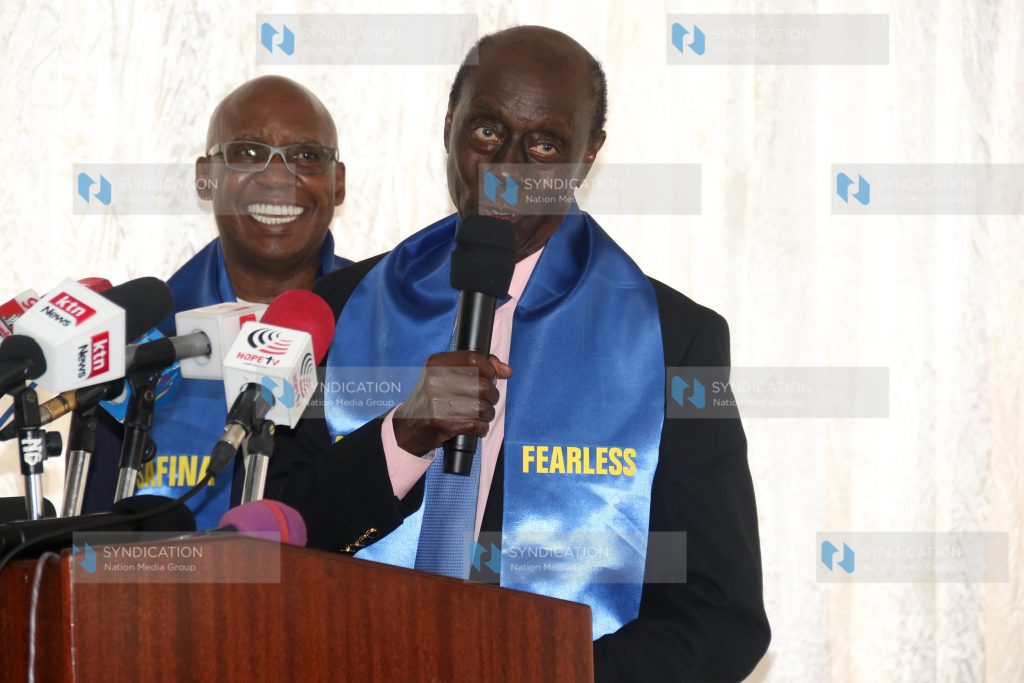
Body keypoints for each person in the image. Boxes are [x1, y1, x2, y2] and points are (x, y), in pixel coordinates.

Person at [271, 27, 770, 682]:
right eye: (486, 132)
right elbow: (270, 535)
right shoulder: (340, 305)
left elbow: (721, 615)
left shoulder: (674, 342)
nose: (506, 171)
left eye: (544, 144)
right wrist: (400, 437)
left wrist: (552, 672)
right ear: (449, 126)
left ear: (588, 156)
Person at [82, 76, 351, 528]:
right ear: (205, 179)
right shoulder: (141, 337)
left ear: (337, 183)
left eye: (306, 156)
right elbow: (95, 538)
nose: (278, 177)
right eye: (248, 152)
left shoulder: (383, 322)